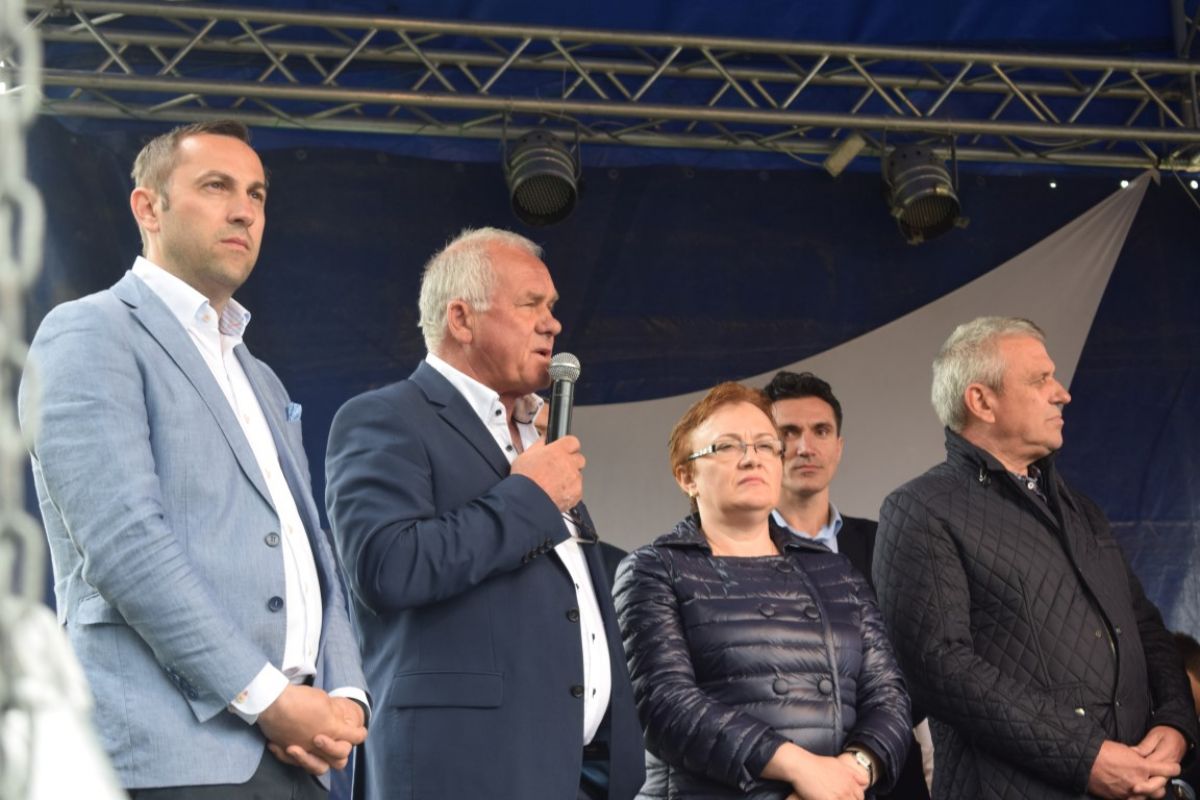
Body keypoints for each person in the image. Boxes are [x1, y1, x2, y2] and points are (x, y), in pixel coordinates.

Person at [17, 120, 368, 798]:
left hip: (303, 756)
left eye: (257, 194)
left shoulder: (261, 377)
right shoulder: (89, 332)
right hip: (172, 757)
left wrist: (345, 694)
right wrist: (270, 699)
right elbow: (126, 548)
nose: (244, 210)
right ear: (148, 208)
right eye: (216, 186)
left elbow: (312, 548)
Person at [324, 227, 645, 800]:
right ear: (461, 319)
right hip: (464, 769)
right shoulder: (385, 417)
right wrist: (530, 496)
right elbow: (387, 566)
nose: (553, 324)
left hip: (580, 773)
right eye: (530, 305)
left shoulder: (537, 436)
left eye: (552, 307)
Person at [873, 316, 1199, 800]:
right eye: (1040, 379)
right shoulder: (920, 509)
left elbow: (1145, 628)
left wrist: (1175, 722)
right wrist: (1084, 757)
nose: (1061, 393)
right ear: (981, 401)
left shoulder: (1081, 511)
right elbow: (938, 667)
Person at [613, 382, 912, 800]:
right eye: (727, 446)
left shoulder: (834, 569)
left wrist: (850, 772)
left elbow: (889, 697)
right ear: (687, 477)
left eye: (765, 446)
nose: (751, 457)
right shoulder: (653, 568)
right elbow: (666, 705)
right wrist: (801, 768)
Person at [764, 370, 931, 799]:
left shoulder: (885, 542)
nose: (806, 447)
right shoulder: (733, 550)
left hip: (889, 775)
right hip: (783, 782)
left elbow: (918, 662)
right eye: (789, 432)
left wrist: (861, 761)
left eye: (820, 431)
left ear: (838, 446)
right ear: (764, 446)